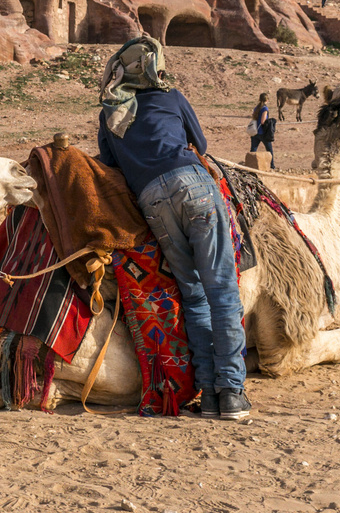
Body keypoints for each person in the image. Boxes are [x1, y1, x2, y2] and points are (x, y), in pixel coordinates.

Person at [94, 36, 250, 421]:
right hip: (194, 186)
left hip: (152, 201)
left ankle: (209, 394)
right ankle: (231, 392)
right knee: (223, 292)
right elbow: (200, 142)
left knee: (194, 295)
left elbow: (110, 165)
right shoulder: (173, 98)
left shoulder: (109, 116)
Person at [249, 93, 274, 168]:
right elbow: (263, 121)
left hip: (254, 131)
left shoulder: (256, 108)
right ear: (267, 100)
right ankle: (272, 166)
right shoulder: (265, 108)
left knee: (253, 149)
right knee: (269, 149)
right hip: (262, 132)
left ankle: (250, 165)